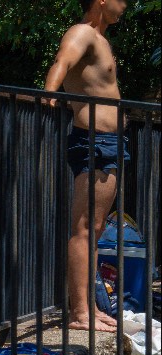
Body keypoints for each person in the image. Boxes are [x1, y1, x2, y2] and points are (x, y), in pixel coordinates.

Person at [43, 0, 128, 331]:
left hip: (109, 144)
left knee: (95, 228)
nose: (125, 5)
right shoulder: (82, 32)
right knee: (85, 228)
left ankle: (88, 307)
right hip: (95, 142)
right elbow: (62, 61)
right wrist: (50, 93)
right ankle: (80, 312)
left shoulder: (102, 39)